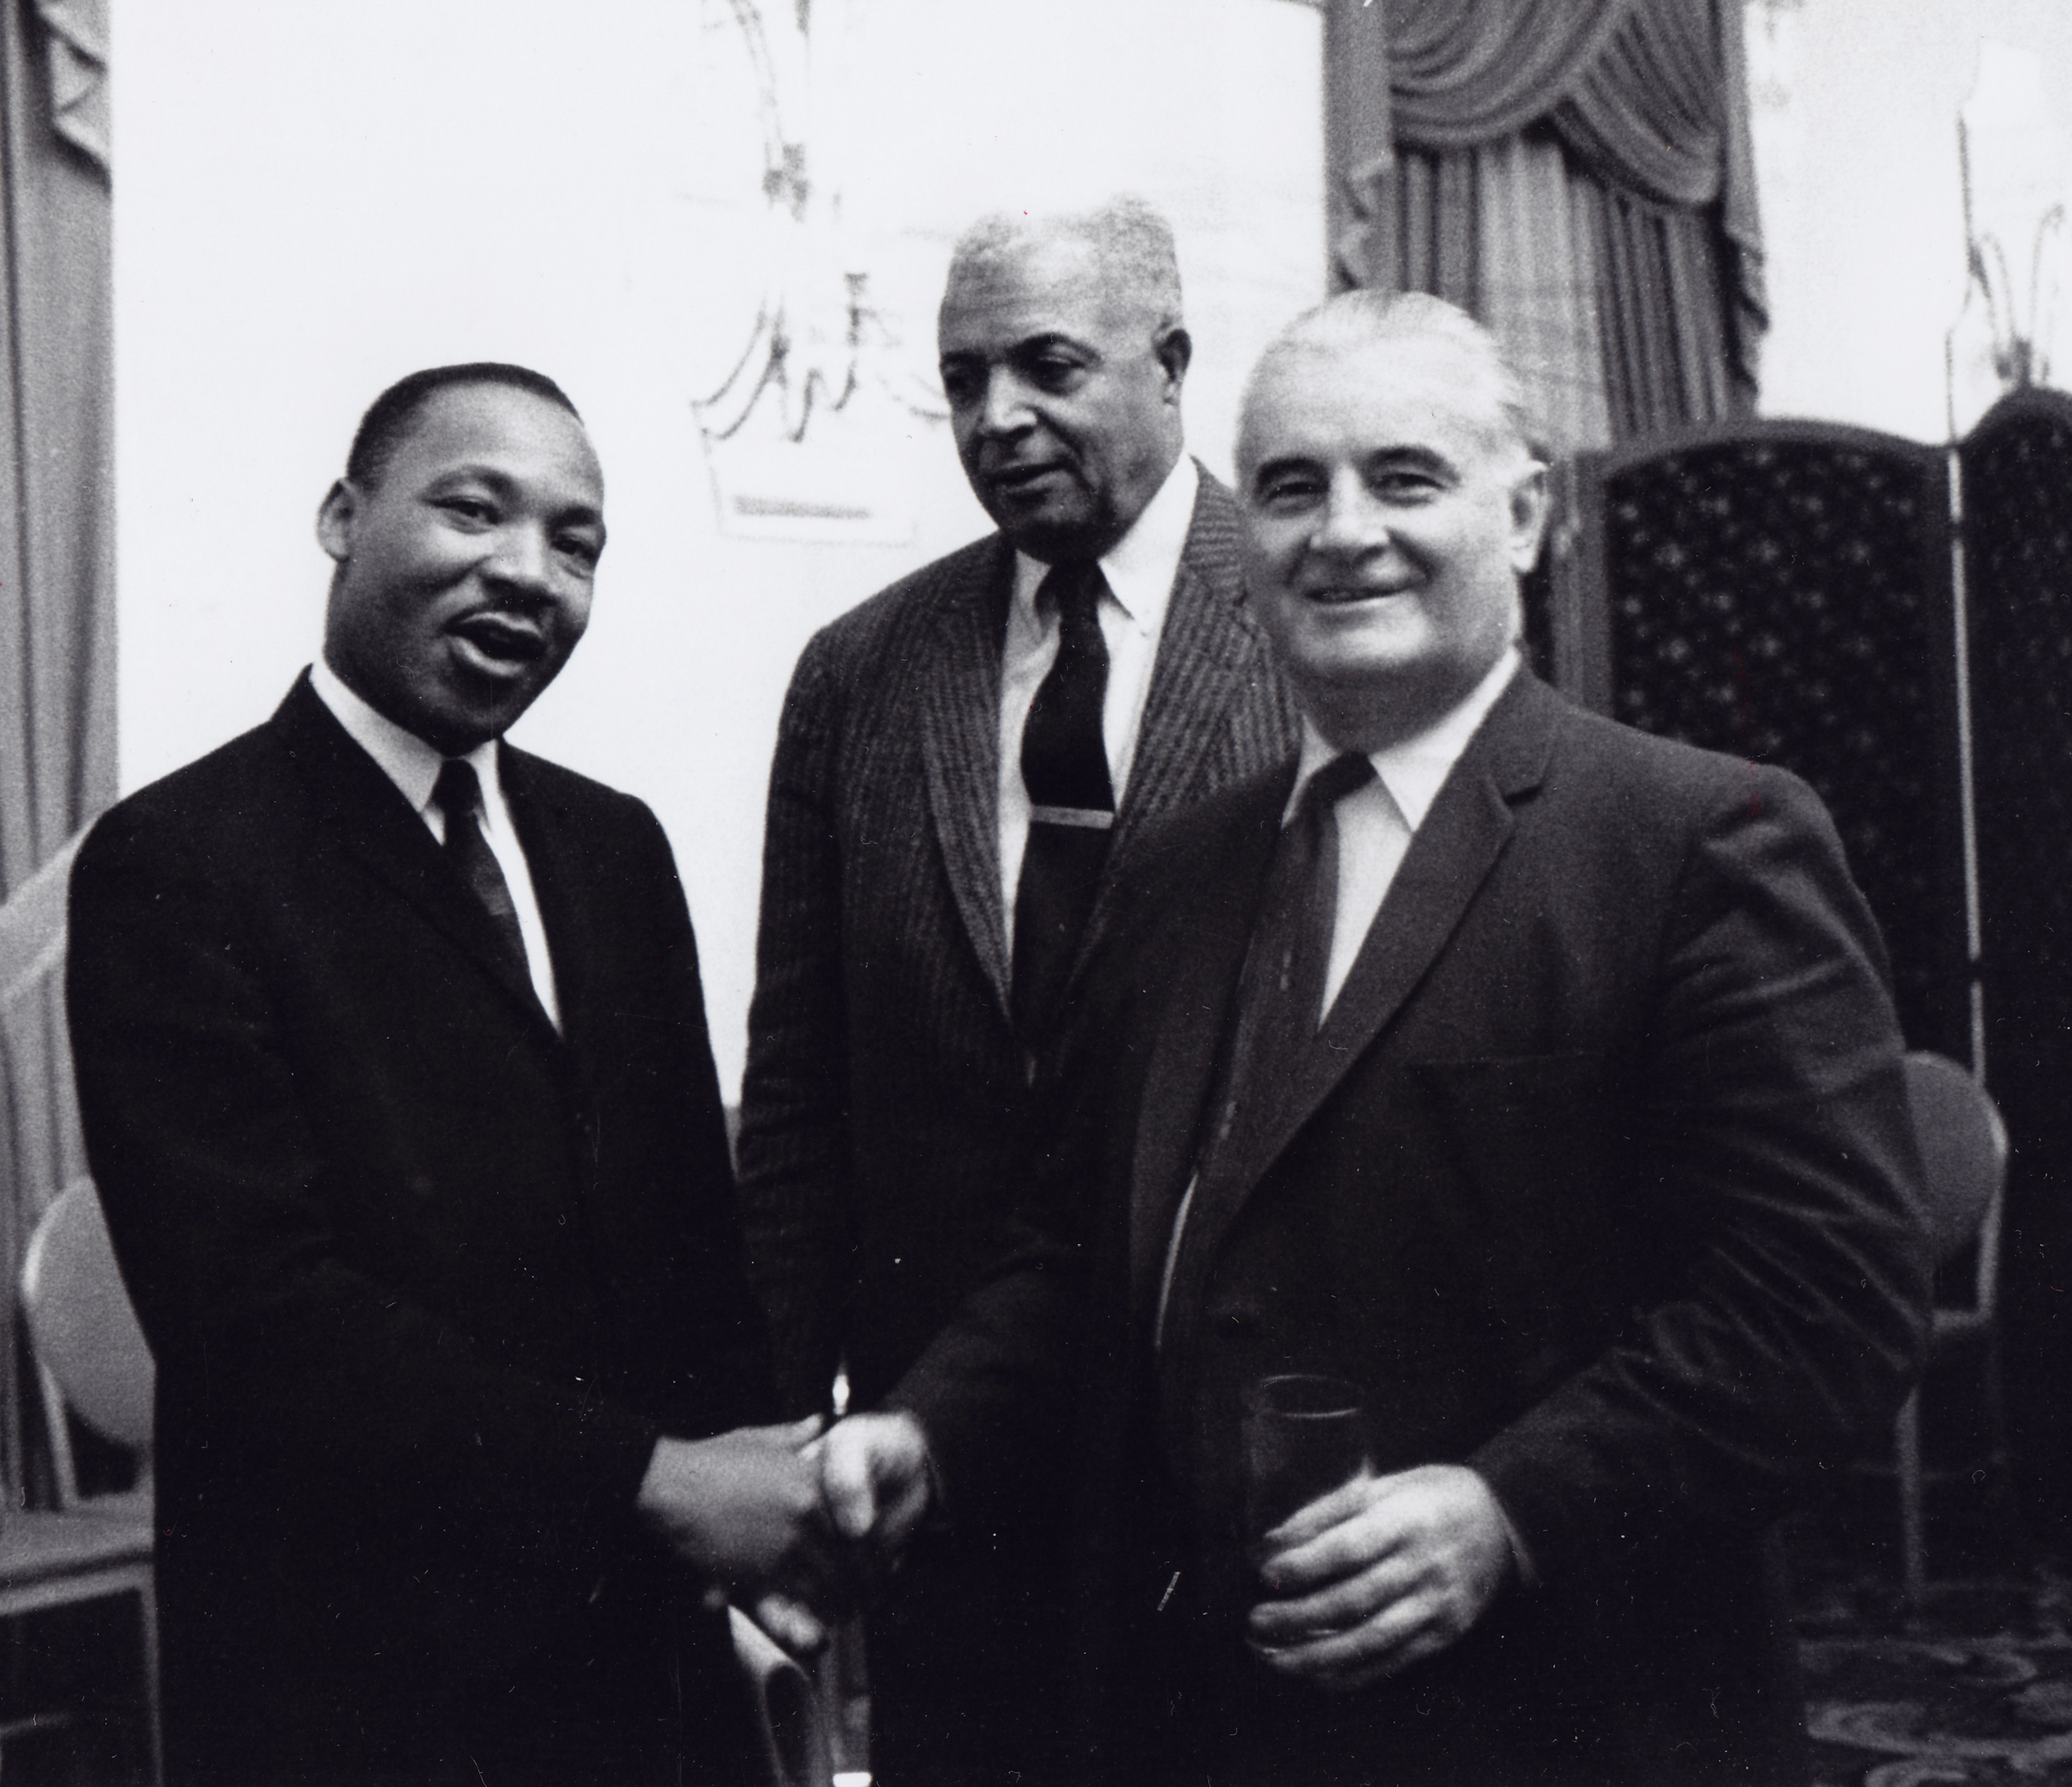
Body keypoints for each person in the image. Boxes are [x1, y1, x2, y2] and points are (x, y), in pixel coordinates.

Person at [821, 294, 1935, 1786]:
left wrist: (1512, 1509)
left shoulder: (1698, 839)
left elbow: (1828, 1300)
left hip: (1557, 1716)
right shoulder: (1180, 871)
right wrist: (932, 1427)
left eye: (1404, 477)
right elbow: (1079, 1251)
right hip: (1195, 1711)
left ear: (1527, 515)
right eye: (1290, 486)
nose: (1342, 531)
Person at [68, 364, 830, 1787]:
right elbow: (256, 1316)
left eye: (576, 541)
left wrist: (767, 1505)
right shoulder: (180, 862)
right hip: (355, 1681)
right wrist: (655, 1483)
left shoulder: (615, 848)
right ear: (343, 516)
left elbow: (687, 1236)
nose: (527, 571)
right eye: (473, 507)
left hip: (641, 1671)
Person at [733, 197, 1299, 1783]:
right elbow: (798, 1094)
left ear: (1173, 362)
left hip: (1238, 1445)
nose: (997, 419)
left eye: (1046, 366)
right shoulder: (861, 674)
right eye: (964, 378)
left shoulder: (1318, 621)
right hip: (942, 1458)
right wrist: (789, 1444)